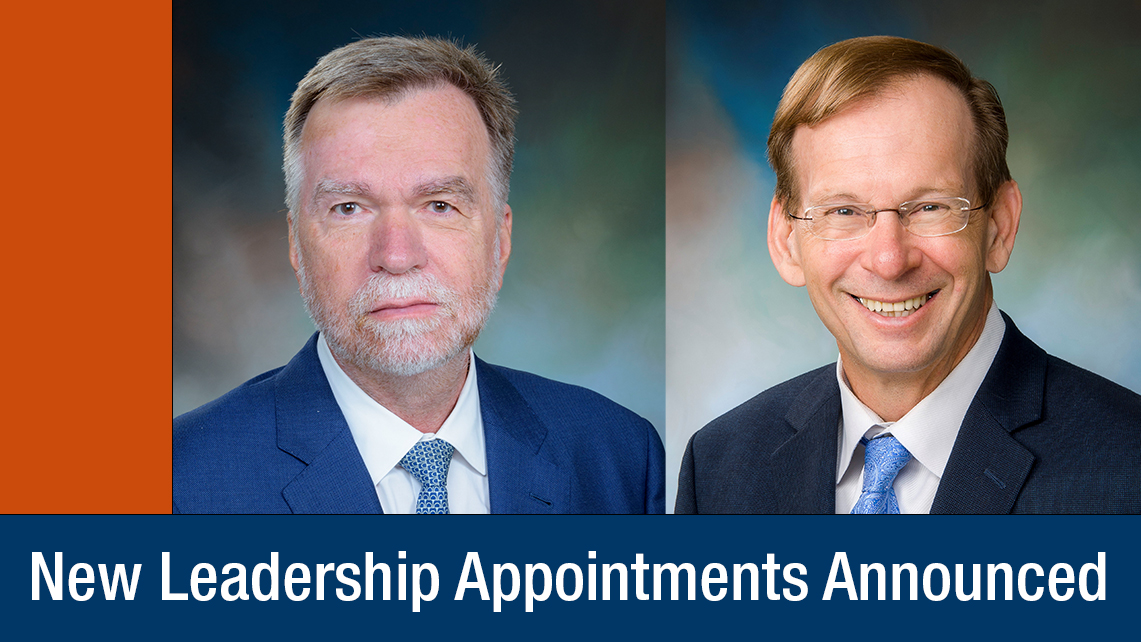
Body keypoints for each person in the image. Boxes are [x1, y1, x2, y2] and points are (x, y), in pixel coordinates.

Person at [175, 36, 664, 514]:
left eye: (439, 205)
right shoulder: (175, 485)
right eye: (349, 208)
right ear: (295, 245)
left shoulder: (618, 459)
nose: (396, 254)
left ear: (500, 240)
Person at [675, 36, 1140, 514]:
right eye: (843, 211)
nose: (889, 260)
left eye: (930, 207)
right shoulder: (719, 469)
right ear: (785, 239)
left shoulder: (1127, 471)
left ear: (999, 226)